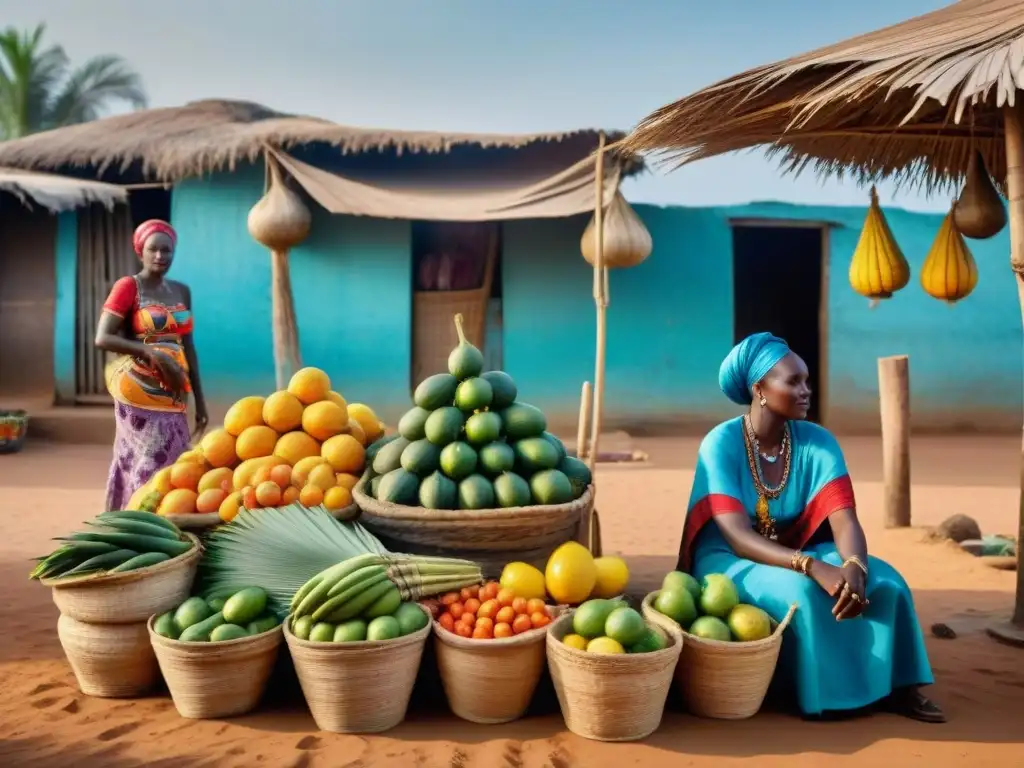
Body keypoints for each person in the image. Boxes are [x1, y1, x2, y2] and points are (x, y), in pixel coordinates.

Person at [677, 332, 944, 723]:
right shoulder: (720, 443)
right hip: (729, 556)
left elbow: (844, 518)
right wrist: (811, 566)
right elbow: (736, 534)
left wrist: (855, 564)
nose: (806, 391)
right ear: (759, 389)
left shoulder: (818, 441)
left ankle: (900, 687)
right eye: (793, 381)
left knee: (887, 583)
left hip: (798, 543)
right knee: (801, 589)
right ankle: (824, 695)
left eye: (806, 380)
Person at [95, 219, 208, 511]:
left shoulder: (182, 291)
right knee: (145, 465)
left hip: (174, 392)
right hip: (140, 391)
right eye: (153, 249)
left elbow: (189, 347)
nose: (160, 256)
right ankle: (133, 527)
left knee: (174, 464)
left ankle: (164, 531)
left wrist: (201, 401)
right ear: (140, 252)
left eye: (167, 250)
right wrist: (152, 355)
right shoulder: (128, 287)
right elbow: (103, 337)